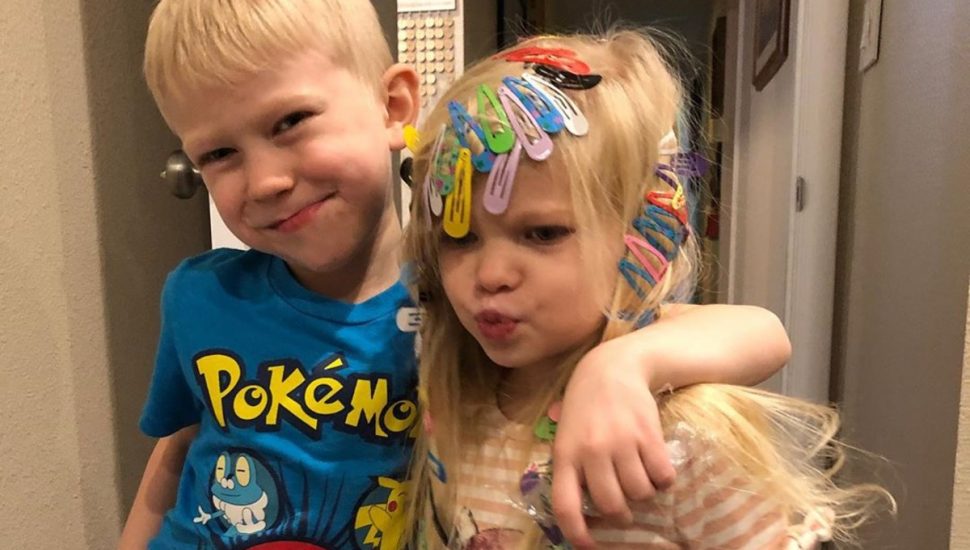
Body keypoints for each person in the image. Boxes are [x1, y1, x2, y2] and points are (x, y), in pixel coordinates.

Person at [119, 2, 793, 548]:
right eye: (218, 153)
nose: (266, 180)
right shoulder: (200, 294)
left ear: (395, 107)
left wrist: (621, 366)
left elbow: (760, 330)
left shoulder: (454, 303)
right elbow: (181, 448)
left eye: (291, 121)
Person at [404, 30, 892, 549]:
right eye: (459, 236)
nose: (491, 274)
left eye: (543, 233)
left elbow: (766, 330)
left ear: (639, 232)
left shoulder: (685, 437)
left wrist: (619, 365)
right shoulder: (456, 400)